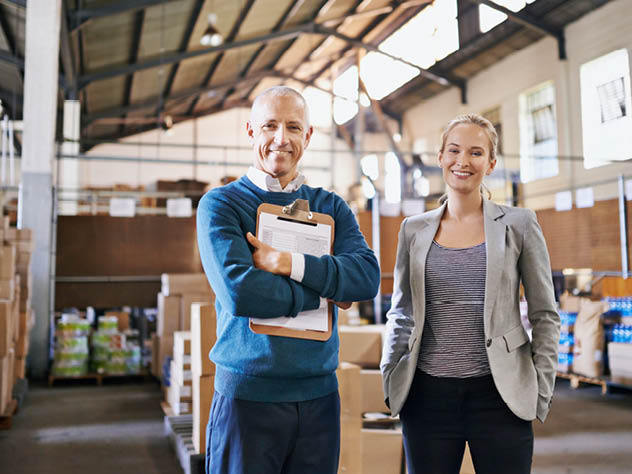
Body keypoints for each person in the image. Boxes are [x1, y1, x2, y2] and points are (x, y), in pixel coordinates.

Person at [197, 86, 380, 474]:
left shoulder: (331, 207)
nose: (281, 139)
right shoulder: (222, 205)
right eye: (270, 126)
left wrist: (288, 263)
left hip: (319, 400)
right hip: (247, 400)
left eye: (293, 127)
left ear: (308, 136)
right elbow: (241, 291)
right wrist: (326, 291)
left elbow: (366, 278)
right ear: (251, 131)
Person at [380, 113, 560, 474]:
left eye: (476, 153)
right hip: (427, 397)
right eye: (454, 150)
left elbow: (545, 314)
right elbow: (401, 311)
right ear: (441, 156)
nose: (463, 161)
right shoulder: (412, 230)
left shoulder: (519, 224)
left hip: (500, 396)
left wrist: (540, 389)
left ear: (490, 163)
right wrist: (390, 372)